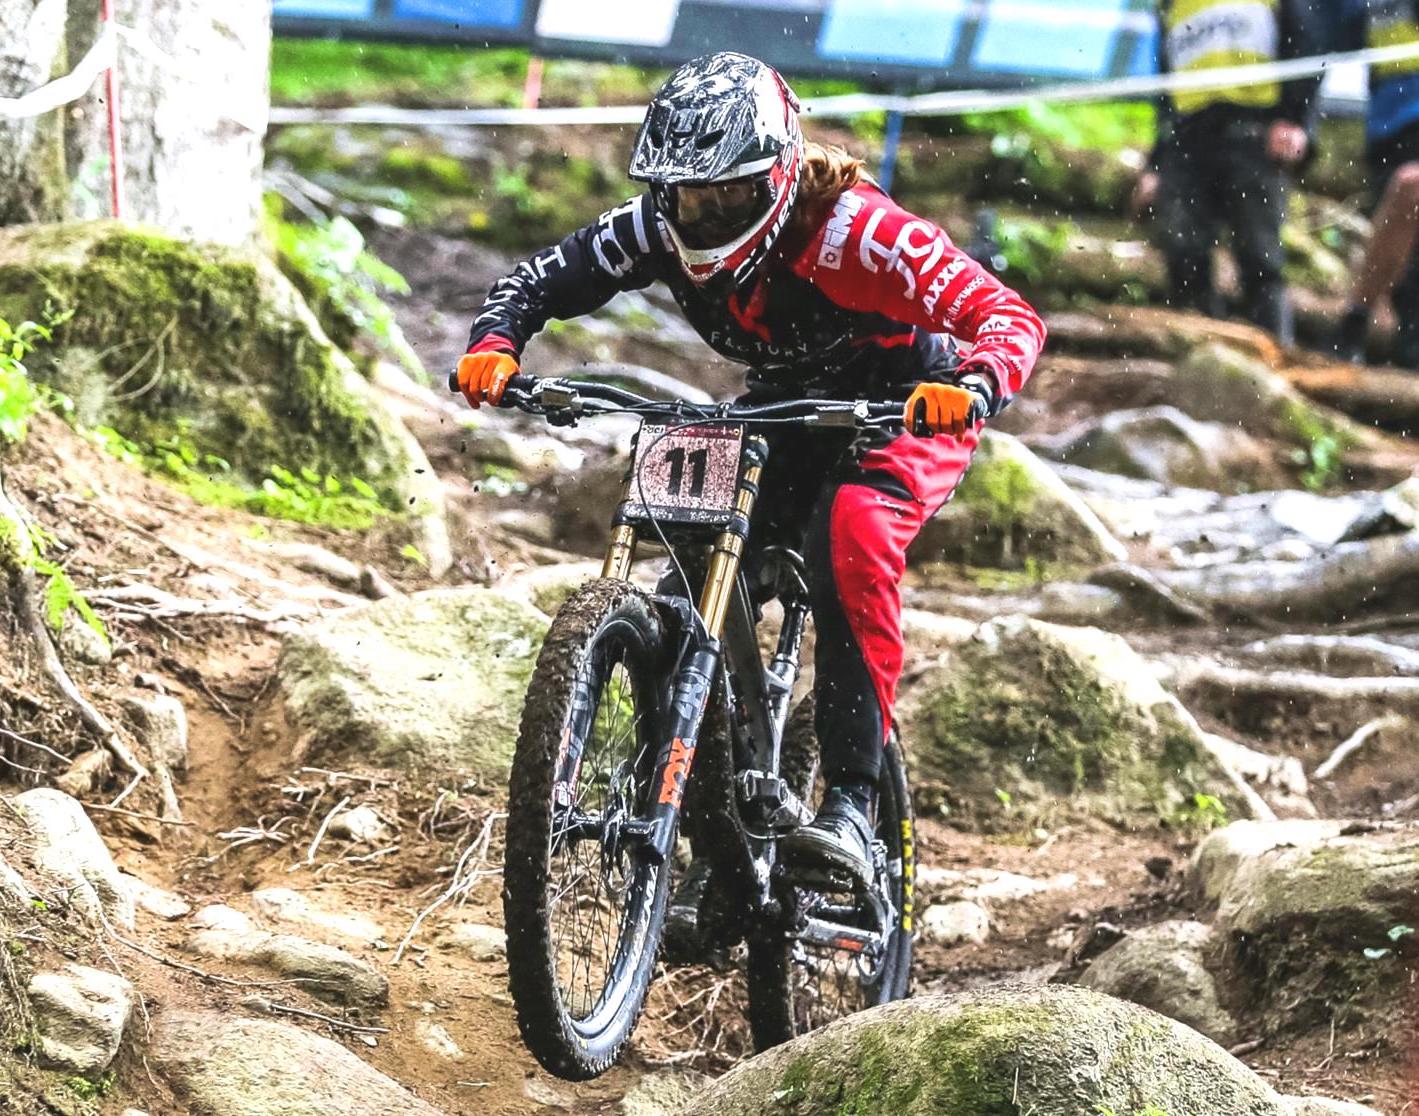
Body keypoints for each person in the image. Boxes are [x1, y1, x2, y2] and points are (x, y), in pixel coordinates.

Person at [453, 52, 1045, 885]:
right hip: (784, 403)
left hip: (906, 404)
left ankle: (851, 803)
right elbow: (539, 279)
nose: (703, 213)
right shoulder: (652, 227)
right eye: (687, 196)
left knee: (852, 535)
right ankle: (703, 817)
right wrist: (495, 342)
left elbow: (1005, 314)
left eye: (727, 195)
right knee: (683, 579)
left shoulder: (857, 233)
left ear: (778, 173)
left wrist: (973, 384)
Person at [1133, 0, 1325, 343]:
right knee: (1184, 255)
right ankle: (1195, 352)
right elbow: (1166, 91)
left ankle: (1276, 353)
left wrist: (1296, 120)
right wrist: (1155, 165)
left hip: (1254, 133)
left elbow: (1308, 47)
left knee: (1260, 259)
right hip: (1187, 141)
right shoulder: (1171, 6)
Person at [1333, 1, 1419, 369]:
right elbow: (1337, 33)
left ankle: (1355, 321)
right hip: (1389, 126)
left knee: (1410, 186)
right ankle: (1361, 326)